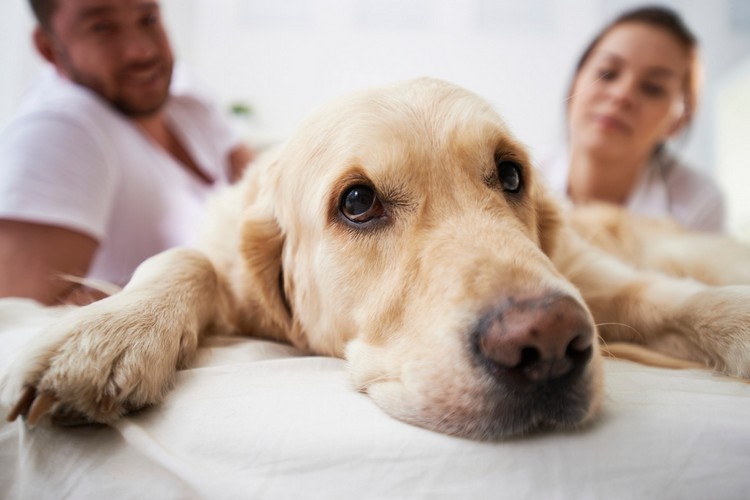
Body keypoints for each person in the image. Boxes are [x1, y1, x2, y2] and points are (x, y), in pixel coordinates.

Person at [0, 0, 255, 305]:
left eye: (148, 19)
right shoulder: (61, 129)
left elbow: (264, 197)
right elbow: (17, 316)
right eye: (102, 28)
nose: (141, 51)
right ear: (49, 48)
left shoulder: (186, 96)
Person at [539, 6, 726, 232]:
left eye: (652, 88)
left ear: (678, 121)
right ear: (575, 81)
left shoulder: (698, 205)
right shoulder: (518, 181)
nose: (621, 95)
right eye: (607, 73)